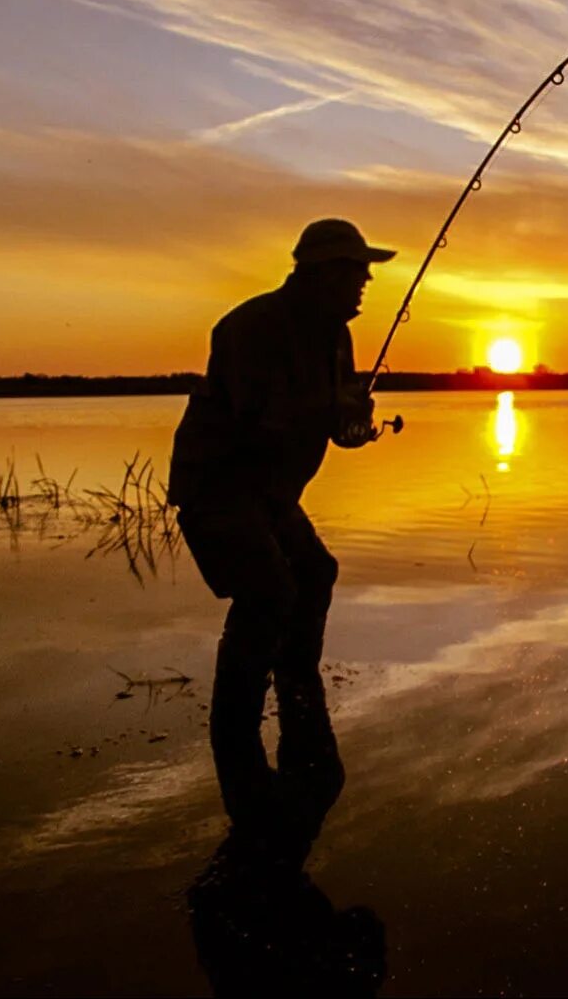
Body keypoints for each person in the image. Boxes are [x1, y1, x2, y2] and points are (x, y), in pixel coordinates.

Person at [168, 218, 395, 852]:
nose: (363, 287)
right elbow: (256, 418)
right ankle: (234, 726)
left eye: (366, 275)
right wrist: (332, 409)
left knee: (314, 573)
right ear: (320, 271)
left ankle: (297, 683)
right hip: (217, 485)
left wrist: (354, 423)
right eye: (355, 274)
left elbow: (329, 431)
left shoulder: (338, 336)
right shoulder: (250, 327)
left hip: (269, 493)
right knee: (266, 594)